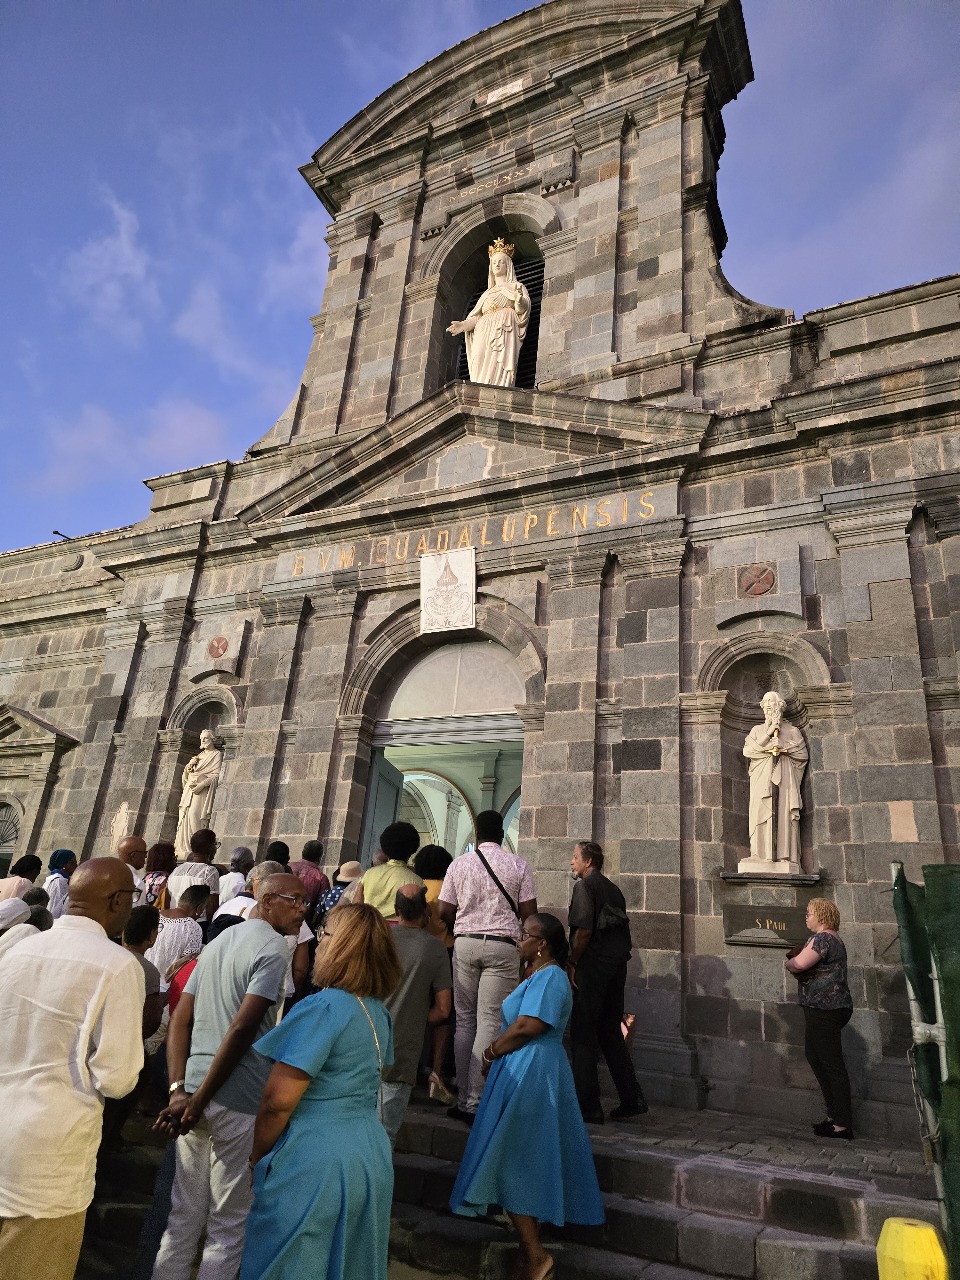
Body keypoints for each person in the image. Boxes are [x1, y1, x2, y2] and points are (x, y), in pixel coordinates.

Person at [150, 873, 306, 1280]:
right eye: (294, 900)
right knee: (228, 1222)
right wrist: (194, 1096)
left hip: (195, 1089)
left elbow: (181, 1018)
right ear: (267, 900)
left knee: (184, 1212)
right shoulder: (274, 948)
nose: (302, 910)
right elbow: (241, 1028)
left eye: (305, 902)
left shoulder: (218, 942)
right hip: (236, 1094)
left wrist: (179, 1090)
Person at [238, 903, 401, 1280]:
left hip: (315, 1158)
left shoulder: (323, 1007)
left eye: (324, 934)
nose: (318, 943)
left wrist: (256, 1159)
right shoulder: (378, 1012)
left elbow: (277, 1102)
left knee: (289, 1264)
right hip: (369, 1153)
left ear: (340, 946)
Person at [0, 858, 143, 1280]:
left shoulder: (18, 949)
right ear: (116, 901)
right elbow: (117, 1078)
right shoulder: (118, 965)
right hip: (48, 1162)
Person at [449, 913, 604, 1280]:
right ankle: (527, 1252)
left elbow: (528, 1025)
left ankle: (536, 1255)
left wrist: (491, 1051)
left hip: (533, 1070)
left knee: (512, 1157)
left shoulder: (551, 977)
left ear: (542, 943)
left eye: (525, 933)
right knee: (517, 1156)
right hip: (523, 1066)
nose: (519, 938)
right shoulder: (539, 974)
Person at [439, 809, 537, 1123]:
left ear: (477, 833)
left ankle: (462, 1097)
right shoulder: (518, 864)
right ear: (502, 833)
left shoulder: (459, 864)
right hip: (503, 946)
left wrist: (463, 925)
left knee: (465, 1021)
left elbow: (444, 909)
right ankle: (476, 1101)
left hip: (465, 943)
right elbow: (529, 914)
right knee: (490, 1021)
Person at [567, 840, 646, 1124]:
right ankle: (632, 1097)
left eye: (575, 857)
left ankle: (589, 1106)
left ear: (589, 861)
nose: (572, 862)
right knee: (610, 1032)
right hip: (615, 968)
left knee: (583, 1033)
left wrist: (572, 962)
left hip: (592, 967)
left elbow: (583, 932)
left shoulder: (584, 887)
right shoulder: (614, 889)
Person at [381, 885, 453, 1142]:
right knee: (386, 1132)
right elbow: (443, 1009)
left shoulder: (379, 939)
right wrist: (415, 1018)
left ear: (396, 910)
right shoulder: (435, 949)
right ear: (425, 911)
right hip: (403, 1051)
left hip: (365, 1042)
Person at [786, 897, 855, 1140]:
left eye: (809, 913)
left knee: (831, 1064)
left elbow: (799, 964)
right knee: (815, 1056)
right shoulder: (831, 938)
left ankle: (842, 1124)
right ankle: (834, 1116)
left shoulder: (824, 938)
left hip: (826, 1009)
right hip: (825, 1008)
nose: (806, 917)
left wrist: (789, 963)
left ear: (822, 916)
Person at [446, 238, 531, 388]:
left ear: (508, 265)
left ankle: (500, 386)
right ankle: (479, 387)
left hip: (504, 325)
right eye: (494, 262)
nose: (497, 264)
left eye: (501, 262)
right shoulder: (486, 293)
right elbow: (477, 316)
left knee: (499, 358)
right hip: (483, 328)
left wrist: (519, 300)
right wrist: (463, 325)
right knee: (478, 355)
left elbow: (522, 310)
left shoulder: (516, 286)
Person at [146, 885, 208, 992]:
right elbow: (185, 966)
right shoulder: (192, 927)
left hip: (144, 981)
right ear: (199, 908)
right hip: (167, 989)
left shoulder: (155, 915)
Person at [356, 821, 423, 919]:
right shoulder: (417, 881)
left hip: (370, 925)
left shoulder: (369, 874)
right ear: (413, 849)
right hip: (399, 927)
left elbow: (357, 906)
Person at [174, 730, 223, 857]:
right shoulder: (199, 756)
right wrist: (188, 767)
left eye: (206, 738)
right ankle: (183, 847)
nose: (203, 741)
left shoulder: (216, 754)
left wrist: (202, 784)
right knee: (185, 816)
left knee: (195, 815)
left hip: (201, 791)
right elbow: (188, 774)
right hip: (189, 791)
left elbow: (216, 775)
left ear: (212, 739)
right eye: (201, 739)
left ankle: (196, 851)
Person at [166, 829, 220, 920]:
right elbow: (211, 908)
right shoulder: (209, 872)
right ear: (210, 848)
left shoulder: (176, 870)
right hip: (198, 923)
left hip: (173, 920)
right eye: (215, 844)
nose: (215, 849)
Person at [290, 839, 330, 924]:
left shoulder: (288, 867)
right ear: (320, 856)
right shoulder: (321, 878)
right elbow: (321, 906)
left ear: (303, 852)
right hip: (303, 923)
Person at [42, 848, 77, 919]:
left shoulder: (57, 878)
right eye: (72, 862)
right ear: (63, 864)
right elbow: (54, 906)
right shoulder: (58, 881)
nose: (76, 865)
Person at [118, 835, 149, 904]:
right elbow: (135, 909)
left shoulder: (108, 873)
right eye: (144, 852)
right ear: (134, 855)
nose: (146, 856)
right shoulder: (136, 882)